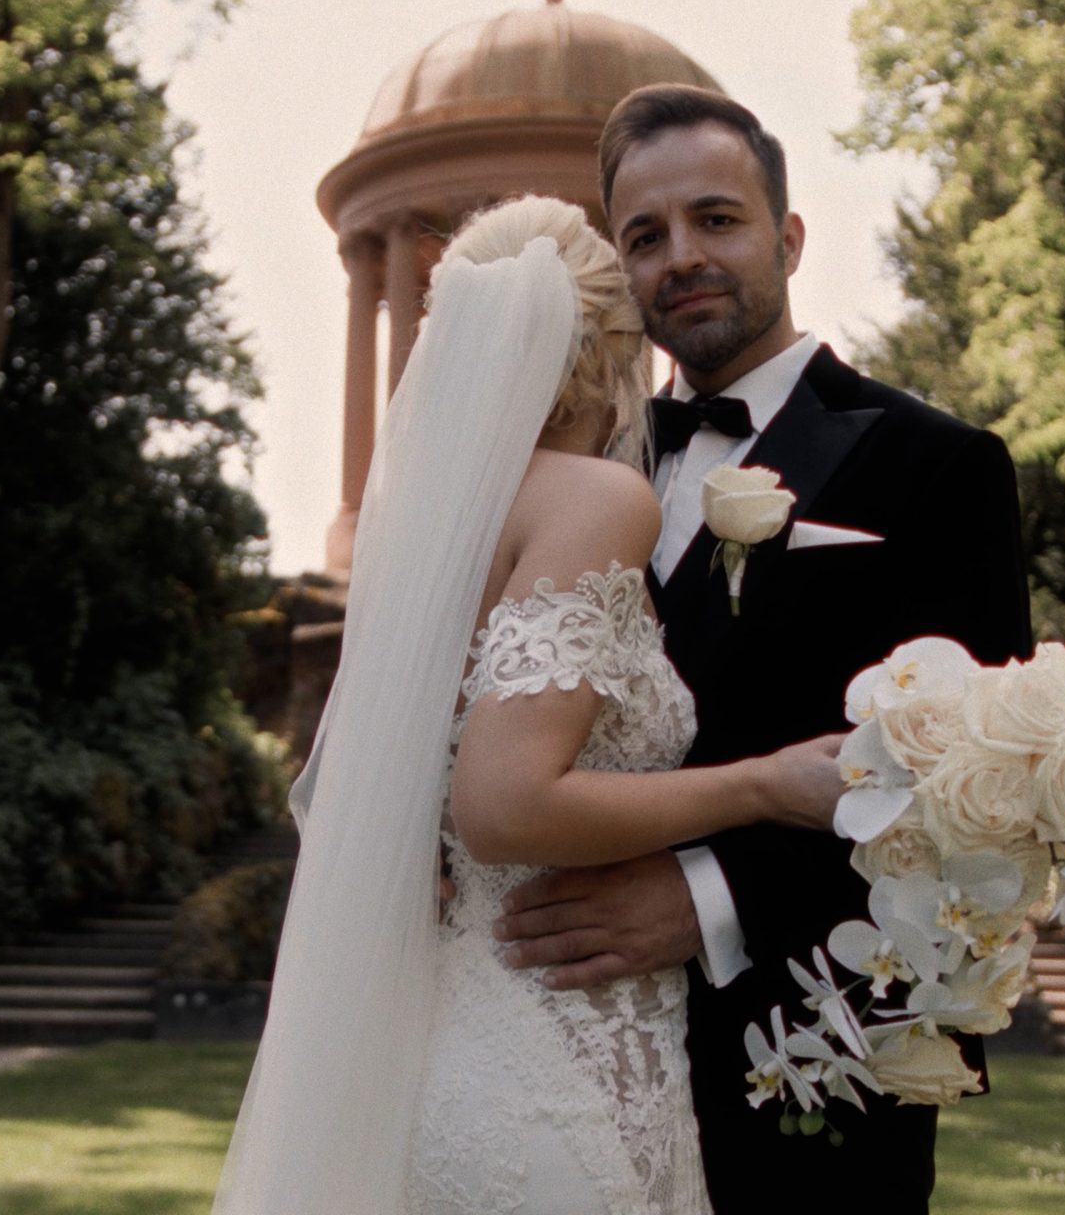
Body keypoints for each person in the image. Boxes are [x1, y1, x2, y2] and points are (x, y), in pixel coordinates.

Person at [211, 194, 852, 1215]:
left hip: (458, 1049)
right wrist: (766, 786)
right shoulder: (596, 500)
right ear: (612, 355)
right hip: (557, 1090)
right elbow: (504, 804)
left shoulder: (420, 544)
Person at [490, 84, 1034, 1212]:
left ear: (786, 236)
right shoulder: (576, 483)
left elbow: (977, 799)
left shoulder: (937, 467)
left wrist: (710, 897)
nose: (680, 257)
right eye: (644, 237)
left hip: (809, 1061)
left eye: (715, 218)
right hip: (572, 1059)